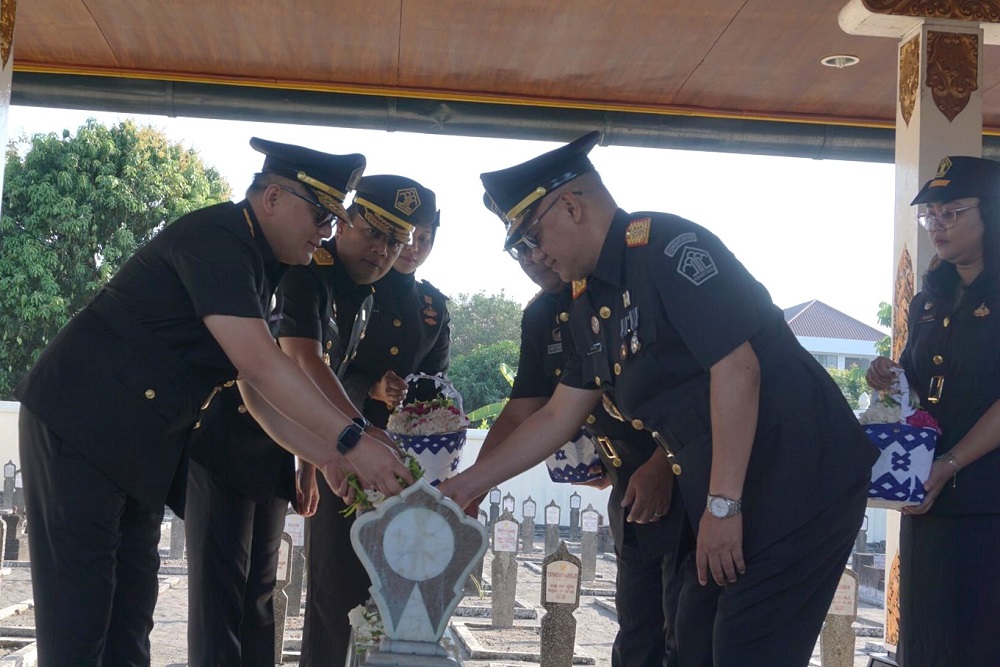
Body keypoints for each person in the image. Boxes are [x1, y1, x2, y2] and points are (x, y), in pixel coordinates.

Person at [440, 131, 878, 666]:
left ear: (571, 206)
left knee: (745, 647)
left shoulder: (669, 249)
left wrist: (723, 505)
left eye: (532, 238)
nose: (537, 257)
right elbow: (558, 414)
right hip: (723, 481)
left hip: (796, 475)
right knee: (692, 645)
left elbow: (738, 370)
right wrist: (464, 486)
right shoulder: (587, 302)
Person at [15, 137, 415, 666]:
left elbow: (248, 386)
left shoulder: (261, 262)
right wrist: (352, 439)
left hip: (137, 445)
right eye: (321, 214)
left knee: (130, 615)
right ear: (271, 198)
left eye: (335, 220)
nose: (327, 232)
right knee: (80, 616)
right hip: (81, 427)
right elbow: (262, 365)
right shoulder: (218, 238)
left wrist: (322, 454)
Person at [468, 244, 688, 667]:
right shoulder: (539, 317)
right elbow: (523, 412)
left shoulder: (632, 286)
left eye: (537, 243)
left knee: (687, 631)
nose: (532, 258)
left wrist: (664, 461)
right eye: (519, 251)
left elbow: (696, 385)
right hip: (629, 489)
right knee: (636, 631)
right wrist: (473, 489)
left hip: (684, 477)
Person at [276, 174, 440, 667]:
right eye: (376, 234)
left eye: (403, 239)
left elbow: (436, 388)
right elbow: (306, 366)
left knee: (393, 597)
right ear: (344, 223)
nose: (389, 250)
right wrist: (346, 439)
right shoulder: (321, 275)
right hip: (340, 453)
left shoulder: (427, 305)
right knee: (333, 590)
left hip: (387, 461)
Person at [866, 156, 1000, 666]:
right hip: (928, 498)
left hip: (986, 502)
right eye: (931, 215)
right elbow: (916, 383)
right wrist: (888, 375)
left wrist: (951, 464)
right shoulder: (930, 299)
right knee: (926, 641)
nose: (937, 225)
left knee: (979, 642)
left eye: (951, 212)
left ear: (991, 214)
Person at [183, 289, 319, 667]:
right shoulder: (239, 280)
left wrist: (308, 466)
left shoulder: (313, 295)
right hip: (220, 452)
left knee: (260, 593)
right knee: (218, 596)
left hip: (275, 456)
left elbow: (311, 385)